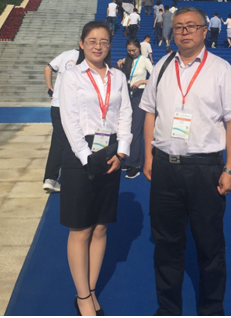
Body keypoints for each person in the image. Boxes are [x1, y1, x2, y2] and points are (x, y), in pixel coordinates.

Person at [140, 6, 231, 317]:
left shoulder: (221, 69)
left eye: (191, 26)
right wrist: (148, 156)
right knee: (166, 244)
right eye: (178, 27)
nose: (184, 31)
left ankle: (212, 308)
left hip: (205, 169)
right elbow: (150, 113)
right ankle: (168, 308)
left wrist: (230, 169)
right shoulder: (161, 66)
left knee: (209, 244)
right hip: (165, 167)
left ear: (204, 31)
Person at [59, 21, 132, 317]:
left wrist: (122, 151)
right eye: (92, 40)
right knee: (81, 227)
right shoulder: (71, 76)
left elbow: (125, 113)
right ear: (81, 43)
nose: (98, 46)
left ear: (109, 44)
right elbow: (69, 119)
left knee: (101, 225)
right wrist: (86, 157)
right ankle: (82, 296)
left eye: (103, 41)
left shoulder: (118, 76)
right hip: (81, 153)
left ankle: (89, 290)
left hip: (110, 150)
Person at [43, 48, 80, 193]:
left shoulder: (66, 54)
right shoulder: (88, 58)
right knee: (75, 140)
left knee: (58, 142)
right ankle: (74, 176)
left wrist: (50, 88)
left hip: (57, 104)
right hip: (73, 106)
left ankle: (50, 178)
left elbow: (48, 68)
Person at [117, 38, 153, 179]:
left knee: (136, 129)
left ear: (139, 48)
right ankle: (128, 159)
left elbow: (155, 77)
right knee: (126, 128)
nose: (132, 53)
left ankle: (135, 164)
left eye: (134, 50)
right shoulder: (126, 60)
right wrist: (120, 68)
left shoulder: (144, 60)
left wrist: (141, 81)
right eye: (129, 51)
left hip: (139, 95)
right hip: (127, 95)